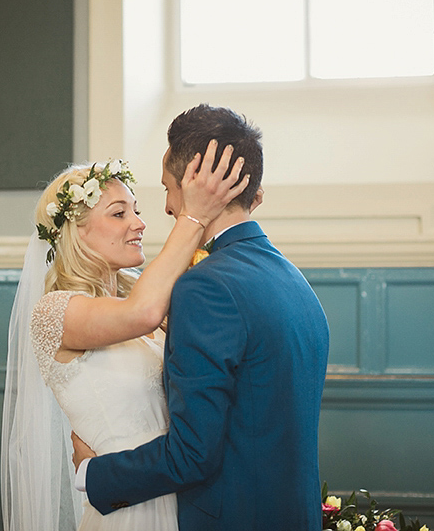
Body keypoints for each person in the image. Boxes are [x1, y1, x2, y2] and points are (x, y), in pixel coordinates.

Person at [73, 104, 331, 530]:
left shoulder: (206, 287)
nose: (168, 207)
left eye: (166, 189)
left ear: (195, 183)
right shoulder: (291, 277)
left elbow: (193, 453)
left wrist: (92, 474)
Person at [0, 144, 249, 531]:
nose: (139, 223)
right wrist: (194, 215)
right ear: (75, 233)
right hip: (131, 509)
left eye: (136, 210)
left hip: (182, 493)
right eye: (119, 213)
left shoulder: (140, 303)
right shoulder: (56, 312)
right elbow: (141, 314)